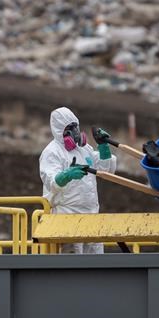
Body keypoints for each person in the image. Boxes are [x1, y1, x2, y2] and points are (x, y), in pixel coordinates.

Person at [39, 107, 116, 254]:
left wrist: (103, 147)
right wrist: (66, 175)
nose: (74, 131)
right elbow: (50, 180)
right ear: (59, 130)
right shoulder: (52, 152)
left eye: (75, 126)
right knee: (71, 266)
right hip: (66, 217)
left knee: (96, 266)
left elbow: (105, 171)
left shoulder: (84, 149)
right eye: (69, 128)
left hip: (92, 216)